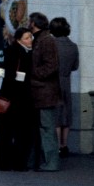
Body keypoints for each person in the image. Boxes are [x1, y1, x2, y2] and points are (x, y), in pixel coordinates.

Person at [0, 28, 35, 170]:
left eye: (30, 37)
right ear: (19, 40)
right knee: (16, 132)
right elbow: (10, 75)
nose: (30, 40)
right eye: (26, 38)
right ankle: (13, 163)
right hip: (15, 98)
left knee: (13, 132)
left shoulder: (24, 51)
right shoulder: (15, 52)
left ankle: (7, 163)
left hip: (16, 97)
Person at [27, 12, 61, 171]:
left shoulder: (46, 41)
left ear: (34, 23)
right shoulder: (41, 39)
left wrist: (34, 74)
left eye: (29, 21)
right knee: (43, 128)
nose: (28, 23)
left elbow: (51, 66)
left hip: (44, 92)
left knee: (47, 129)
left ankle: (51, 162)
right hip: (40, 92)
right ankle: (44, 161)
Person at [50, 16, 79, 158]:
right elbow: (75, 66)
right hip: (66, 81)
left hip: (53, 81)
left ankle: (56, 146)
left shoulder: (52, 45)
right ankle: (64, 144)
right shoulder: (73, 46)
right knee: (66, 113)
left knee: (56, 114)